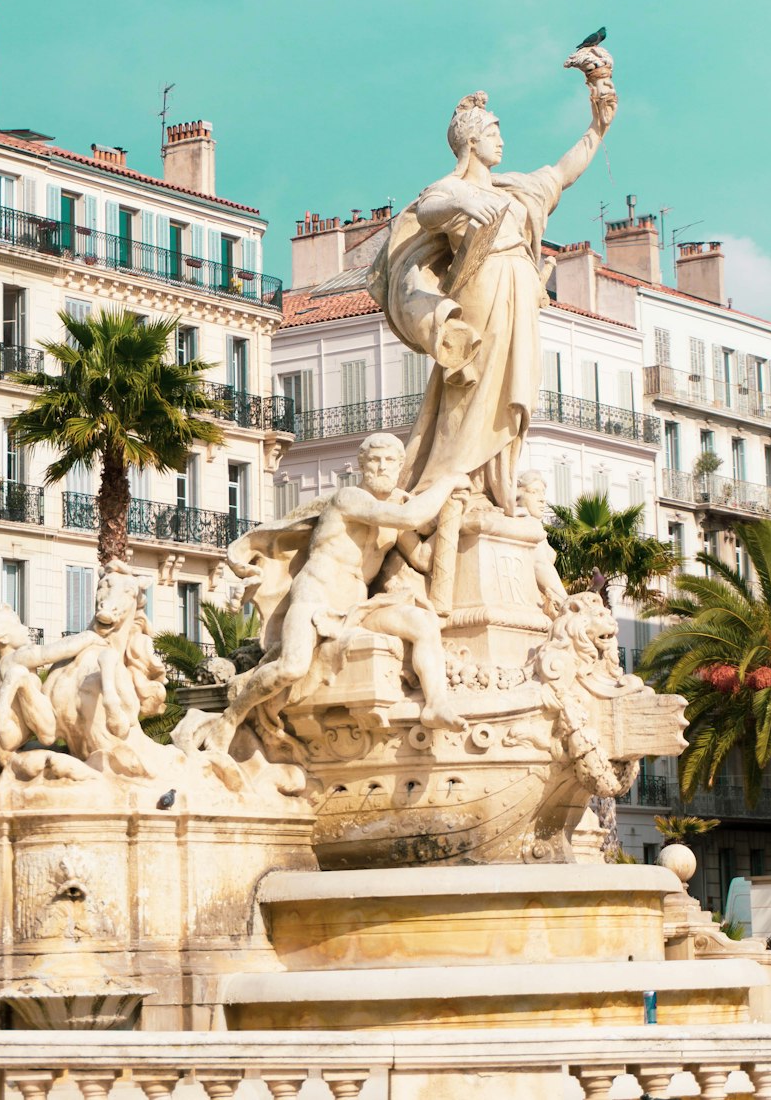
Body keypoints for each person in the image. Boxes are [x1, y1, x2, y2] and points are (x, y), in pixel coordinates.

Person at [369, 50, 616, 517]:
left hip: (523, 287)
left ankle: (497, 485)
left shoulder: (516, 188)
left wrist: (597, 128)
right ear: (472, 141)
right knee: (477, 384)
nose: (501, 141)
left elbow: (564, 172)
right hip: (482, 286)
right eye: (493, 133)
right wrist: (462, 199)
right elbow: (426, 211)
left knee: (514, 394)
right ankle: (456, 480)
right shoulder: (450, 188)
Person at [196, 432, 470, 753]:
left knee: (422, 624)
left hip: (355, 608)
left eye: (389, 461)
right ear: (361, 465)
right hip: (316, 598)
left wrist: (456, 519)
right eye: (374, 461)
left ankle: (436, 703)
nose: (381, 468)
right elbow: (411, 516)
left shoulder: (393, 518)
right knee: (292, 667)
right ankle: (232, 717)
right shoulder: (349, 498)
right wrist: (449, 481)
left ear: (399, 467)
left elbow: (424, 558)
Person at [0, 608, 109, 780]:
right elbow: (53, 651)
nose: (25, 628)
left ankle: (5, 714)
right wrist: (90, 636)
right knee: (48, 733)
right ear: (4, 638)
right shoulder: (17, 657)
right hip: (32, 729)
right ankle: (17, 685)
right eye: (18, 625)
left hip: (9, 737)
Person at [515, 469, 568, 613]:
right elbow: (540, 565)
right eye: (534, 492)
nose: (542, 498)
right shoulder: (526, 523)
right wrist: (565, 601)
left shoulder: (533, 525)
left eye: (543, 493)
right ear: (517, 495)